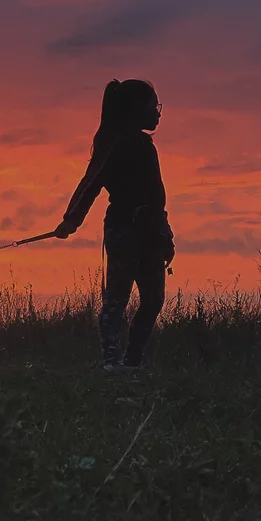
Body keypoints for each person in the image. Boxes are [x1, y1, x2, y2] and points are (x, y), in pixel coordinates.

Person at [54, 78, 174, 372]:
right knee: (117, 298)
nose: (158, 113)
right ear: (137, 108)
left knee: (154, 298)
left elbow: (156, 200)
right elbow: (91, 182)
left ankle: (132, 362)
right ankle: (112, 361)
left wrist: (165, 234)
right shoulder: (116, 142)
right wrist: (71, 220)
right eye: (153, 105)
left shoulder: (145, 144)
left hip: (151, 231)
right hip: (124, 229)